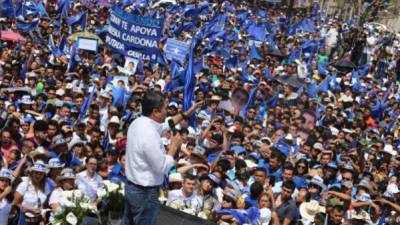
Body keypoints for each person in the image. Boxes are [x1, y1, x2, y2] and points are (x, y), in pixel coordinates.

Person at [122, 91, 198, 225]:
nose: (167, 112)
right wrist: (174, 146)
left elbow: (165, 125)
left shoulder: (139, 122)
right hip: (145, 193)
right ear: (155, 112)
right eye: (165, 109)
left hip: (132, 187)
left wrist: (187, 113)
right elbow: (162, 167)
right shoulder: (149, 134)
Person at [14, 161, 52, 225]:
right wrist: (30, 209)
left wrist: (43, 219)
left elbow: (45, 206)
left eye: (41, 173)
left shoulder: (46, 187)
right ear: (32, 173)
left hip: (39, 221)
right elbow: (15, 203)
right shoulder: (24, 185)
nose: (38, 175)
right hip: (24, 220)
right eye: (36, 173)